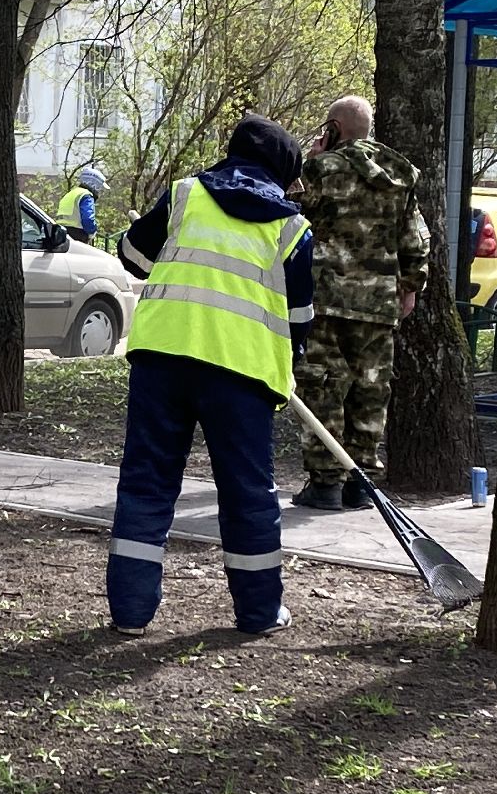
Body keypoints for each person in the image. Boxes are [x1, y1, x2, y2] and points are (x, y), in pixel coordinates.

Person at [108, 114, 315, 636]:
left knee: (147, 483)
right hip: (242, 374)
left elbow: (132, 255)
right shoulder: (292, 229)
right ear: (282, 172)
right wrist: (287, 366)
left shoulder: (185, 195)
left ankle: (130, 613)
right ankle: (259, 612)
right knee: (248, 493)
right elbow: (298, 320)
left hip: (162, 357)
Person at [289, 96, 430, 512]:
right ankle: (361, 482)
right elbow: (415, 237)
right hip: (379, 303)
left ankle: (325, 483)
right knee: (371, 389)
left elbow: (289, 217)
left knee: (323, 386)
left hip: (326, 301)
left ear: (333, 127)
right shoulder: (400, 175)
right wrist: (410, 285)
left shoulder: (322, 169)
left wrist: (313, 160)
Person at [55, 166, 108, 244]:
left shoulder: (70, 194)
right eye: (99, 187)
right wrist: (92, 232)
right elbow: (88, 218)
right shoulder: (86, 195)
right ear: (94, 184)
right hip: (77, 235)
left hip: (60, 234)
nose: (99, 191)